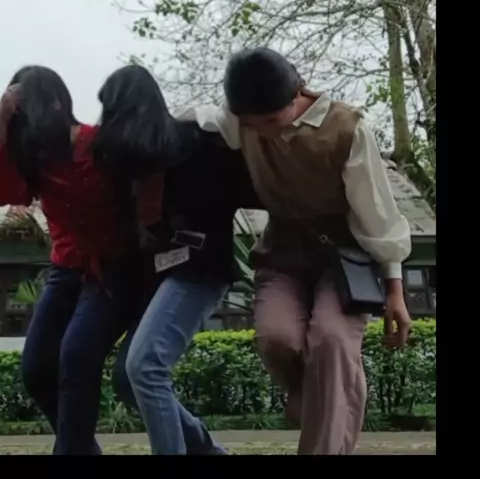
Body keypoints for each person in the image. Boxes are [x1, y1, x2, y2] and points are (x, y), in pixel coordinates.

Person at [180, 47, 413, 455]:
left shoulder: (346, 130)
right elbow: (194, 117)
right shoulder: (243, 121)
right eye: (252, 124)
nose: (263, 131)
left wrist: (395, 290)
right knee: (278, 339)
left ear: (298, 94)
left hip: (344, 261)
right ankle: (324, 390)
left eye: (271, 121)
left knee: (331, 341)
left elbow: (379, 215)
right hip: (282, 255)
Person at [95, 64, 262, 456]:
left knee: (144, 366)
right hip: (160, 274)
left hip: (201, 268)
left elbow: (254, 174)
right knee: (129, 378)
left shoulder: (197, 141)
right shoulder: (131, 166)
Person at [0, 66, 141, 455]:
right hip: (65, 270)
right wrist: (2, 115)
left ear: (55, 106)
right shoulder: (35, 162)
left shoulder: (100, 145)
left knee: (77, 357)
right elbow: (6, 192)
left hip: (114, 269)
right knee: (36, 369)